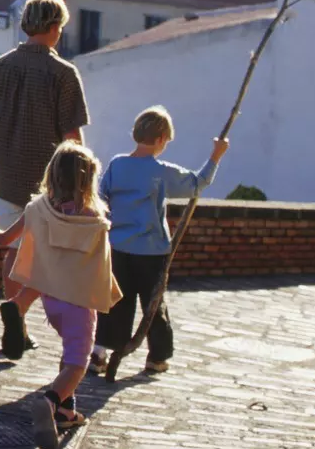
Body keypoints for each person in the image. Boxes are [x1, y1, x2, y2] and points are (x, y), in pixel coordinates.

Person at [0, 0, 90, 360]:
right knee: (45, 255)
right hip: (49, 182)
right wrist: (83, 178)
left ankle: (17, 323)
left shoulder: (2, 65)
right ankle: (20, 314)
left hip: (6, 173)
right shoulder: (63, 73)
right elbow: (72, 135)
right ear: (56, 27)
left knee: (13, 250)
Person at [0, 141, 122, 449]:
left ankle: (66, 411)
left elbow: (4, 239)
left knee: (69, 354)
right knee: (78, 362)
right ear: (88, 180)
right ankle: (50, 402)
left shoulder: (38, 208)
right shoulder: (95, 221)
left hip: (50, 299)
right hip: (79, 303)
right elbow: (100, 267)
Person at [92, 106, 229, 376]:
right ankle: (157, 356)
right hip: (151, 250)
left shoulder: (117, 164)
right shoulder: (160, 171)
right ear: (160, 139)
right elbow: (197, 183)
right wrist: (216, 155)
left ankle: (99, 351)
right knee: (153, 303)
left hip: (117, 246)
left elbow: (102, 197)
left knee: (114, 300)